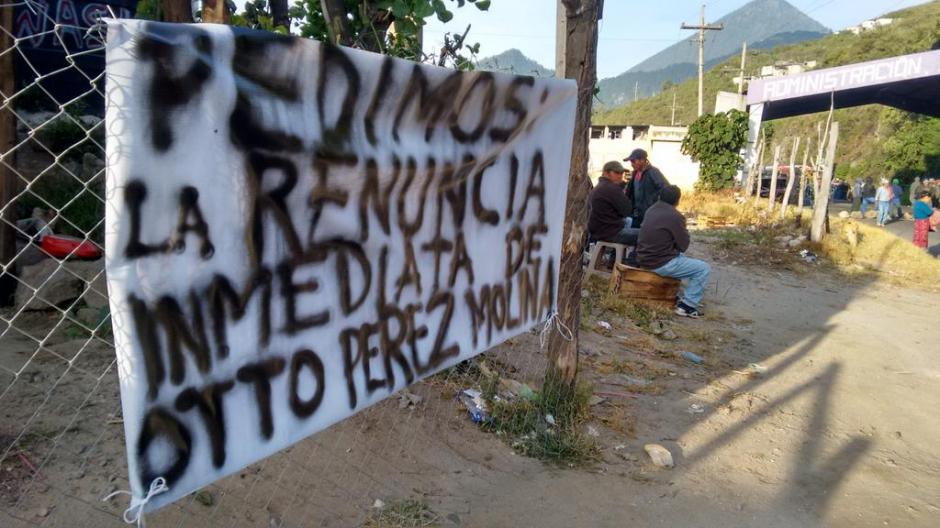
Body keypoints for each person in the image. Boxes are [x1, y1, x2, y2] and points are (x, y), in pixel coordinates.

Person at [636, 185, 710, 318]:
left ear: (660, 197)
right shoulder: (676, 216)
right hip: (659, 262)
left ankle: (673, 294)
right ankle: (687, 306)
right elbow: (683, 245)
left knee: (680, 258)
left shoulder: (651, 210)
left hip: (643, 258)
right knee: (703, 268)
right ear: (677, 201)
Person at [588, 160, 638, 246]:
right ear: (606, 173)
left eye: (621, 173)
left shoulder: (600, 186)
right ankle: (631, 259)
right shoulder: (611, 188)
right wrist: (622, 188)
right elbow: (627, 210)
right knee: (647, 235)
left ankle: (616, 256)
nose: (620, 175)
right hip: (610, 233)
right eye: (617, 172)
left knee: (628, 221)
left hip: (600, 232)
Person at [623, 148, 668, 228]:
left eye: (633, 161)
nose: (631, 164)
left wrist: (652, 201)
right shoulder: (635, 173)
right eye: (631, 162)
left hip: (649, 215)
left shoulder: (653, 172)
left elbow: (665, 189)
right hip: (636, 215)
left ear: (642, 160)